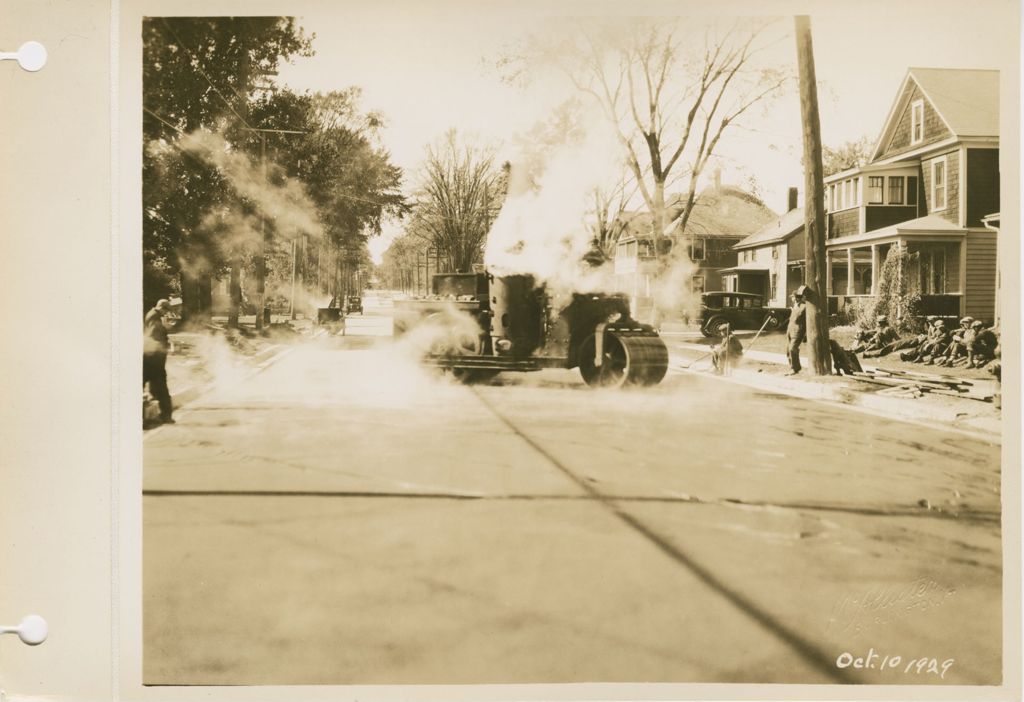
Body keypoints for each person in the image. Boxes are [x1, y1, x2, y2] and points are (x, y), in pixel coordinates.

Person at [144, 299, 174, 424]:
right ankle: (165, 416)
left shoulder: (153, 315)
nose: (166, 313)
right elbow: (154, 336)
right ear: (162, 308)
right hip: (154, 357)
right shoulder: (154, 317)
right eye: (166, 310)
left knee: (156, 386)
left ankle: (157, 415)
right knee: (161, 386)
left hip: (152, 356)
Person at [785, 286, 807, 375]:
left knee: (792, 348)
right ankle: (793, 367)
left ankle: (795, 368)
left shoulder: (804, 306)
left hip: (798, 331)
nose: (792, 299)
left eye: (793, 297)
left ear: (797, 297)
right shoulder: (794, 306)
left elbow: (803, 319)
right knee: (788, 350)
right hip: (790, 330)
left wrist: (805, 334)